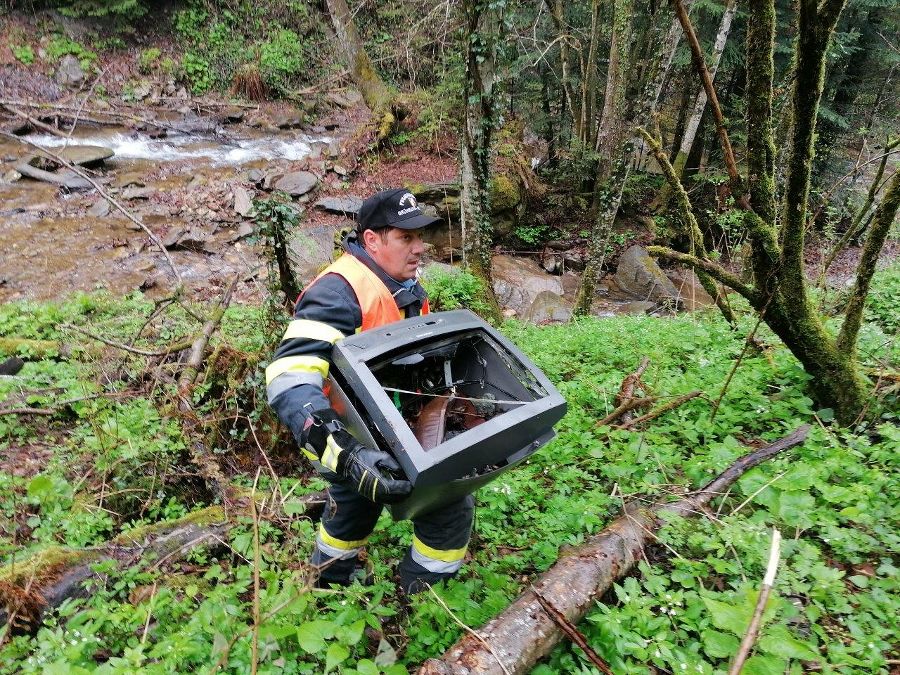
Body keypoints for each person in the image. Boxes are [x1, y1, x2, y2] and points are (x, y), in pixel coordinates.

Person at [265, 188, 474, 592]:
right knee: (370, 508)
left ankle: (417, 598)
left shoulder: (406, 283)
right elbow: (288, 377)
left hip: (394, 427)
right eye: (406, 238)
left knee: (436, 505)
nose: (419, 249)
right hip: (343, 437)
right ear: (372, 240)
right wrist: (348, 455)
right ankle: (337, 592)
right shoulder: (337, 292)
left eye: (420, 237)